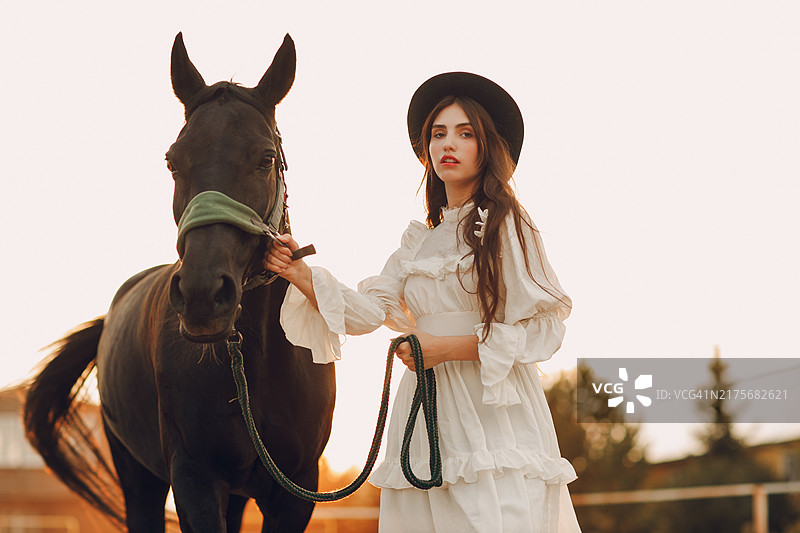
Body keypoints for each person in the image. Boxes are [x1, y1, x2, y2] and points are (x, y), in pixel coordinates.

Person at [265, 72, 582, 533]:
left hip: (492, 410)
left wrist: (447, 348)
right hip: (425, 411)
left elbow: (546, 327)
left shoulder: (505, 224)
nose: (447, 144)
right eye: (438, 133)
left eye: (464, 132)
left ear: (486, 147)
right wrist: (300, 273)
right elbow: (367, 313)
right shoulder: (416, 245)